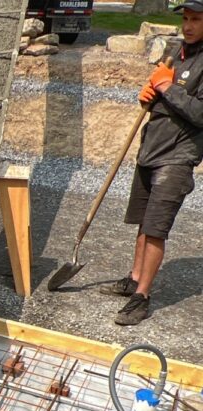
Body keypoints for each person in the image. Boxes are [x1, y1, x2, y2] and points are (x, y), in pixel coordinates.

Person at [100, 3, 203, 325]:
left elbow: (200, 113)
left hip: (177, 156)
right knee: (143, 223)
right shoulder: (178, 52)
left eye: (196, 20)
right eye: (185, 19)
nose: (188, 25)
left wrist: (165, 87)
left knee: (156, 228)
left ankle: (141, 297)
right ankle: (134, 277)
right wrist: (150, 95)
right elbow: (165, 95)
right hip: (151, 149)